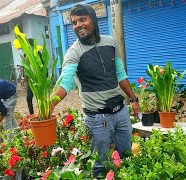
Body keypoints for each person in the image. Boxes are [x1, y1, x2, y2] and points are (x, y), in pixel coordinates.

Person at [51, 4, 140, 176]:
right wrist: (51, 103)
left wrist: (134, 100)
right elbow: (66, 82)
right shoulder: (74, 52)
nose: (78, 25)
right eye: (74, 22)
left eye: (82, 20)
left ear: (93, 19)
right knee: (100, 164)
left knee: (125, 155)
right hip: (98, 118)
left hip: (121, 112)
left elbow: (120, 74)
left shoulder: (110, 43)